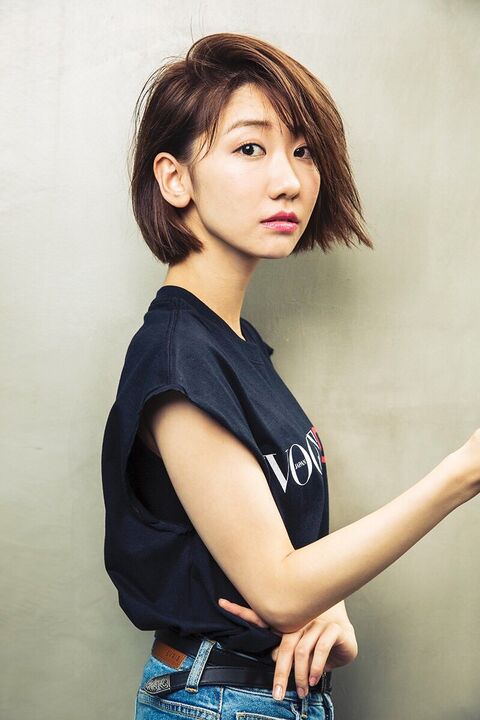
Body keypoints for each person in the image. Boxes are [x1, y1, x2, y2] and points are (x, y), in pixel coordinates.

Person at [101, 32, 480, 720]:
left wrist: (329, 610)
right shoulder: (178, 360)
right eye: (251, 148)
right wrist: (463, 474)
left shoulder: (234, 343)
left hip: (263, 695)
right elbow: (276, 590)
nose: (290, 180)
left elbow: (280, 565)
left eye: (303, 152)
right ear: (174, 178)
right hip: (218, 701)